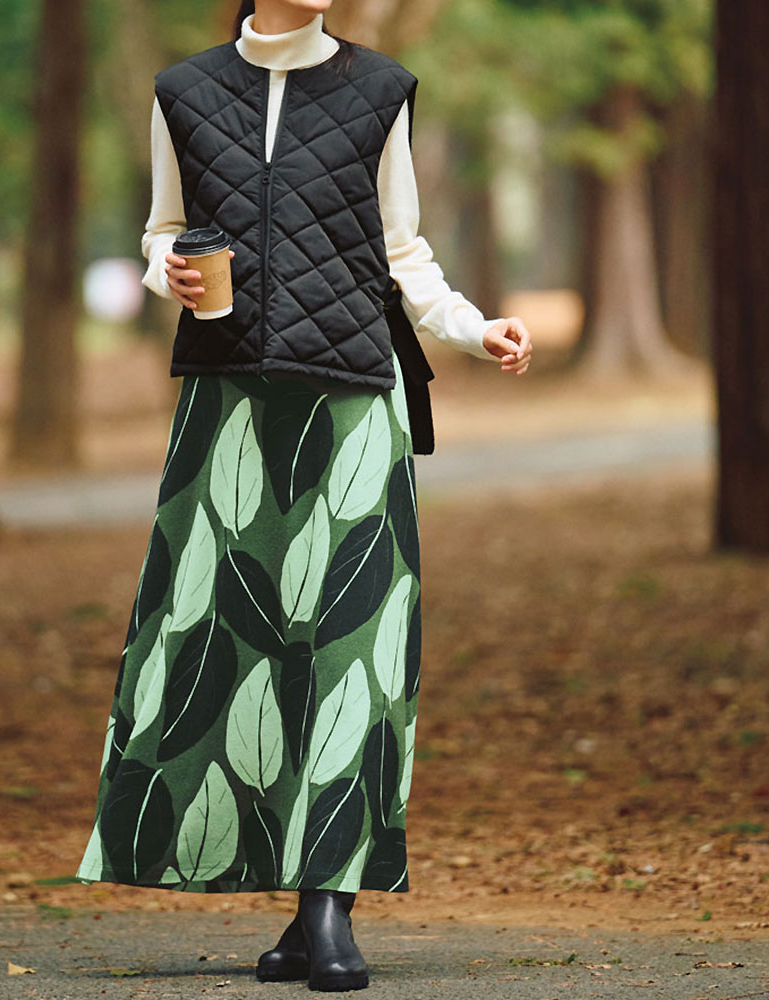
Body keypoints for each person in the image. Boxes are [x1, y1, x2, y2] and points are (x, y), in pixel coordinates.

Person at [75, 0, 532, 991]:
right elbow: (161, 232)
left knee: (352, 651)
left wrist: (470, 326)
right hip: (228, 407)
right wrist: (168, 274)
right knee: (220, 640)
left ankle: (329, 905)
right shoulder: (184, 91)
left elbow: (401, 251)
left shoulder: (380, 90)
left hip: (356, 399)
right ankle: (283, 900)